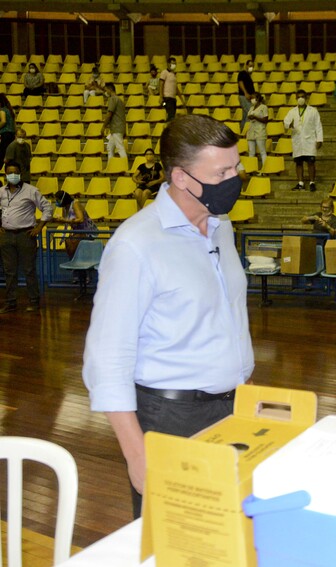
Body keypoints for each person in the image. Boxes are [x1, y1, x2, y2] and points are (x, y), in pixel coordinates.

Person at [82, 114, 254, 519]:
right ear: (181, 178)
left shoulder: (221, 228)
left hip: (230, 410)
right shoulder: (136, 244)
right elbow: (107, 361)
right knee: (176, 544)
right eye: (223, 171)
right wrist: (136, 454)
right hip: (171, 418)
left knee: (226, 538)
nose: (236, 178)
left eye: (236, 166)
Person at [0, 161, 53, 313]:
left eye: (16, 172)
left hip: (26, 234)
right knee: (9, 271)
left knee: (29, 270)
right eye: (10, 173)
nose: (13, 175)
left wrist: (39, 227)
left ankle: (34, 301)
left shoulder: (31, 190)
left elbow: (47, 207)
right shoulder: (1, 192)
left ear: (20, 174)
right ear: (6, 175)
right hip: (7, 235)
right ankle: (10, 303)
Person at [284, 89, 323, 192]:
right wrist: (289, 124)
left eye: (302, 96)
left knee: (310, 162)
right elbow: (286, 122)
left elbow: (318, 126)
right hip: (298, 140)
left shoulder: (313, 111)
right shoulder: (292, 111)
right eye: (298, 97)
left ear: (306, 98)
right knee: (299, 162)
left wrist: (319, 139)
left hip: (309, 140)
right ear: (296, 98)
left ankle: (312, 182)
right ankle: (300, 183)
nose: (300, 99)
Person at [52, 189, 97, 259]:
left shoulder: (75, 204)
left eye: (57, 200)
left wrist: (65, 220)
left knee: (72, 243)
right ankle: (75, 263)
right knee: (68, 241)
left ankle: (79, 264)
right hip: (77, 231)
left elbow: (81, 219)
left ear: (63, 199)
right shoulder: (65, 208)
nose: (56, 202)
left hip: (86, 231)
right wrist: (56, 219)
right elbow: (66, 220)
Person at [103, 83, 128, 160]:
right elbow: (123, 117)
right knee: (110, 147)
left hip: (116, 128)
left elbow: (109, 114)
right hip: (117, 128)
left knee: (120, 148)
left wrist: (104, 126)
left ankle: (125, 167)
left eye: (106, 90)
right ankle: (111, 166)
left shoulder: (113, 99)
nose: (106, 92)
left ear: (110, 89)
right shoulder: (120, 100)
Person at [245, 93, 269, 170]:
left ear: (258, 98)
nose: (252, 99)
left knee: (262, 151)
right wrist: (251, 117)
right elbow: (248, 117)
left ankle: (265, 169)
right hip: (251, 130)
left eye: (253, 98)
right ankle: (251, 169)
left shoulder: (263, 107)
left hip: (260, 130)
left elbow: (265, 120)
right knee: (251, 152)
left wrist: (255, 117)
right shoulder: (251, 108)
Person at [159, 57, 185, 122]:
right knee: (170, 115)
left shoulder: (173, 74)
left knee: (172, 115)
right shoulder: (164, 72)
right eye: (172, 63)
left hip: (173, 98)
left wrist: (181, 98)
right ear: (168, 64)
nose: (174, 65)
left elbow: (175, 87)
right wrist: (161, 97)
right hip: (167, 98)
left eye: (175, 64)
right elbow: (161, 84)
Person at [237, 59, 256, 131]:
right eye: (250, 66)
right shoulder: (242, 73)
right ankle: (246, 132)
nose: (251, 67)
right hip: (244, 97)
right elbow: (240, 83)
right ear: (246, 65)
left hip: (249, 98)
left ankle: (242, 131)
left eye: (253, 66)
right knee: (249, 114)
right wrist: (246, 93)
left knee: (245, 116)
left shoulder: (249, 76)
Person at [0, 94, 16, 160]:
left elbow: (3, 121)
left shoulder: (2, 110)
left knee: (2, 154)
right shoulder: (10, 110)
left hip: (5, 134)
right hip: (11, 135)